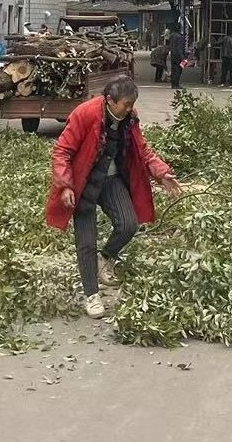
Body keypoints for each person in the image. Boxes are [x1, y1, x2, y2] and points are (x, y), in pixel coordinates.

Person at [45, 76, 182, 318]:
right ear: (109, 100)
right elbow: (62, 151)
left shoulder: (129, 118)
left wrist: (161, 172)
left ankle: (105, 257)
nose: (130, 109)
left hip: (111, 180)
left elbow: (142, 149)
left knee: (128, 224)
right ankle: (92, 295)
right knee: (86, 242)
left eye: (132, 104)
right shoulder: (85, 114)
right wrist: (65, 186)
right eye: (126, 104)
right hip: (84, 183)